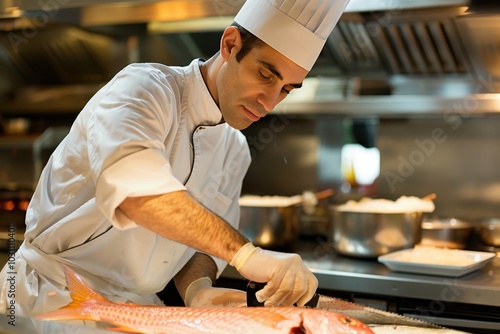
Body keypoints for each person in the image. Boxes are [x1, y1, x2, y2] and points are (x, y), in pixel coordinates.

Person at [0, 0, 350, 318]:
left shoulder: (233, 149)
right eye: (265, 75)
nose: (270, 103)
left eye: (286, 89)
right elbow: (139, 196)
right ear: (230, 45)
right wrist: (247, 255)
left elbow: (198, 247)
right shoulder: (143, 90)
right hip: (48, 299)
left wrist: (199, 290)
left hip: (136, 311)